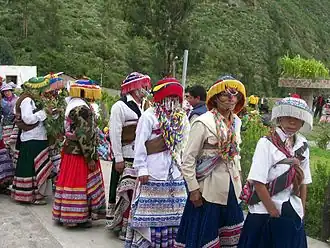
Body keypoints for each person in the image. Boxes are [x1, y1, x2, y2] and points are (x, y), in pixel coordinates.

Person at [175, 75, 246, 248]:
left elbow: (236, 156)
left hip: (231, 187)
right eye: (225, 95)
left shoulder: (236, 122)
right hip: (208, 189)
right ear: (214, 98)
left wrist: (240, 184)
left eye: (234, 95)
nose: (230, 99)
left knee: (231, 235)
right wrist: (193, 189)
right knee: (205, 235)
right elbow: (188, 159)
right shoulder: (203, 122)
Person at [238, 97, 313, 248]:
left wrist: (302, 209)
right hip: (264, 211)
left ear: (302, 122)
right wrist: (272, 210)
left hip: (291, 210)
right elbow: (258, 181)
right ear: (280, 118)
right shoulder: (266, 144)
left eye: (297, 118)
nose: (292, 122)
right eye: (288, 117)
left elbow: (304, 181)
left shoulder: (302, 145)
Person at [125, 77, 190, 247]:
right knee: (150, 220)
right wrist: (142, 170)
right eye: (170, 99)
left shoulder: (182, 118)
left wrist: (185, 168)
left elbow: (186, 144)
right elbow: (139, 145)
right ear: (161, 98)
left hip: (175, 175)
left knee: (177, 216)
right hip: (153, 174)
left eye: (176, 99)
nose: (173, 103)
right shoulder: (149, 116)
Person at [52, 78, 106, 228]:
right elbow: (85, 136)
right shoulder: (83, 109)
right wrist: (90, 156)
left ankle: (66, 215)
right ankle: (74, 217)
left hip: (70, 150)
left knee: (68, 181)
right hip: (79, 153)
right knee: (79, 183)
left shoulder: (71, 105)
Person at [106, 72, 151, 239]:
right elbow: (115, 133)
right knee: (124, 191)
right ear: (133, 88)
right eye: (142, 86)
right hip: (126, 155)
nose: (145, 89)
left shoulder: (144, 105)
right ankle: (120, 225)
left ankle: (131, 226)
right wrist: (118, 158)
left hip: (140, 156)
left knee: (134, 192)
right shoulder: (120, 106)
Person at [11, 77, 53, 205]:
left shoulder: (27, 99)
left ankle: (32, 194)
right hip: (33, 137)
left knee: (33, 166)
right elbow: (28, 119)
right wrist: (43, 113)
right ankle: (33, 195)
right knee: (33, 167)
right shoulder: (27, 100)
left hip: (35, 137)